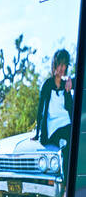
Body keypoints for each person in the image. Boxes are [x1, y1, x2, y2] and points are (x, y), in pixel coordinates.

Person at [36, 49, 74, 179]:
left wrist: (70, 80)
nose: (62, 68)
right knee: (68, 143)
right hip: (54, 128)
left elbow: (71, 108)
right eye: (60, 64)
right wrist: (37, 134)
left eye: (65, 65)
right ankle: (66, 185)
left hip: (68, 124)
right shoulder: (47, 85)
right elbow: (40, 110)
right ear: (55, 64)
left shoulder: (66, 85)